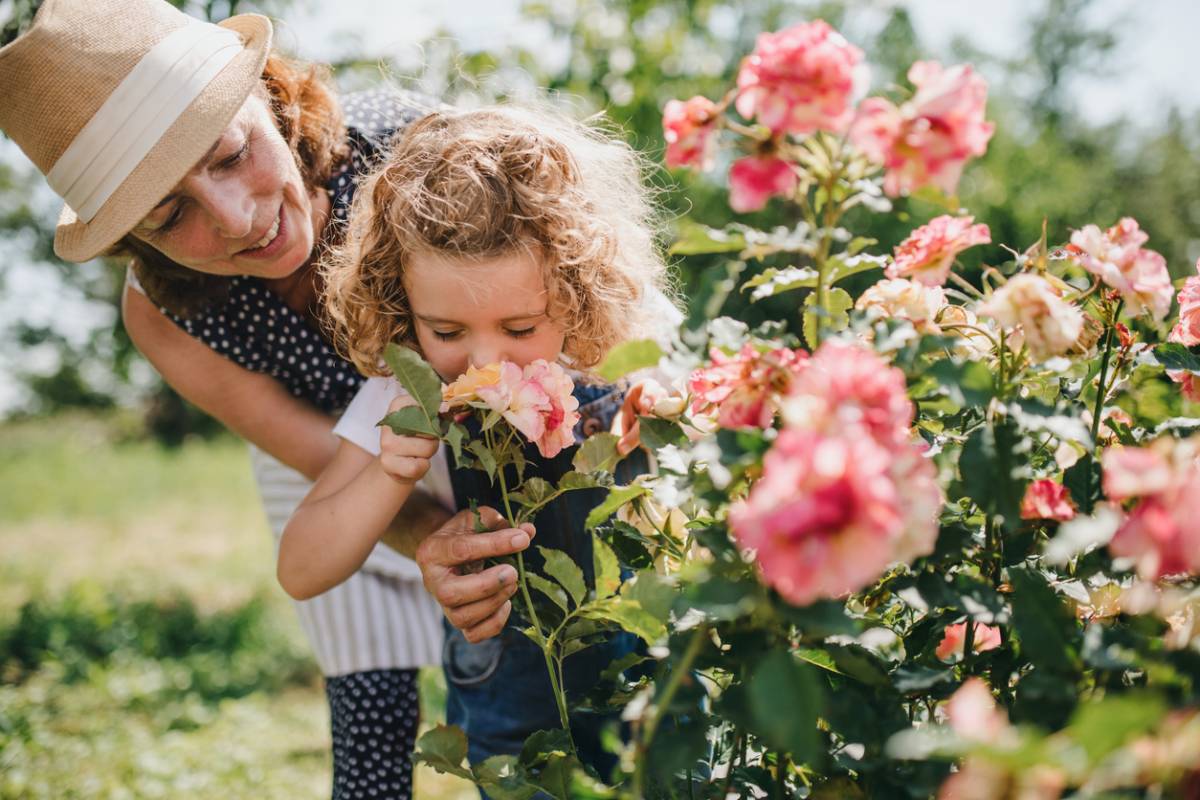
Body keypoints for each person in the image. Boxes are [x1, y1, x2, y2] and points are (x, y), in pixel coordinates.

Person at [0, 1, 538, 796]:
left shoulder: (416, 159)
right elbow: (321, 456)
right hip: (334, 464)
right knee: (371, 725)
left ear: (272, 98)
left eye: (229, 154)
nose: (237, 219)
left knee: (530, 674)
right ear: (131, 241)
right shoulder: (165, 313)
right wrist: (428, 536)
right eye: (168, 215)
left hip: (488, 417)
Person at [276, 104, 677, 777]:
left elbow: (706, 456)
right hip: (505, 692)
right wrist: (389, 472)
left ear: (575, 290)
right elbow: (302, 565)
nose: (483, 360)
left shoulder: (610, 355)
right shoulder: (406, 393)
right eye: (448, 332)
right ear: (403, 305)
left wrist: (666, 418)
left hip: (645, 669)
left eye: (520, 329)